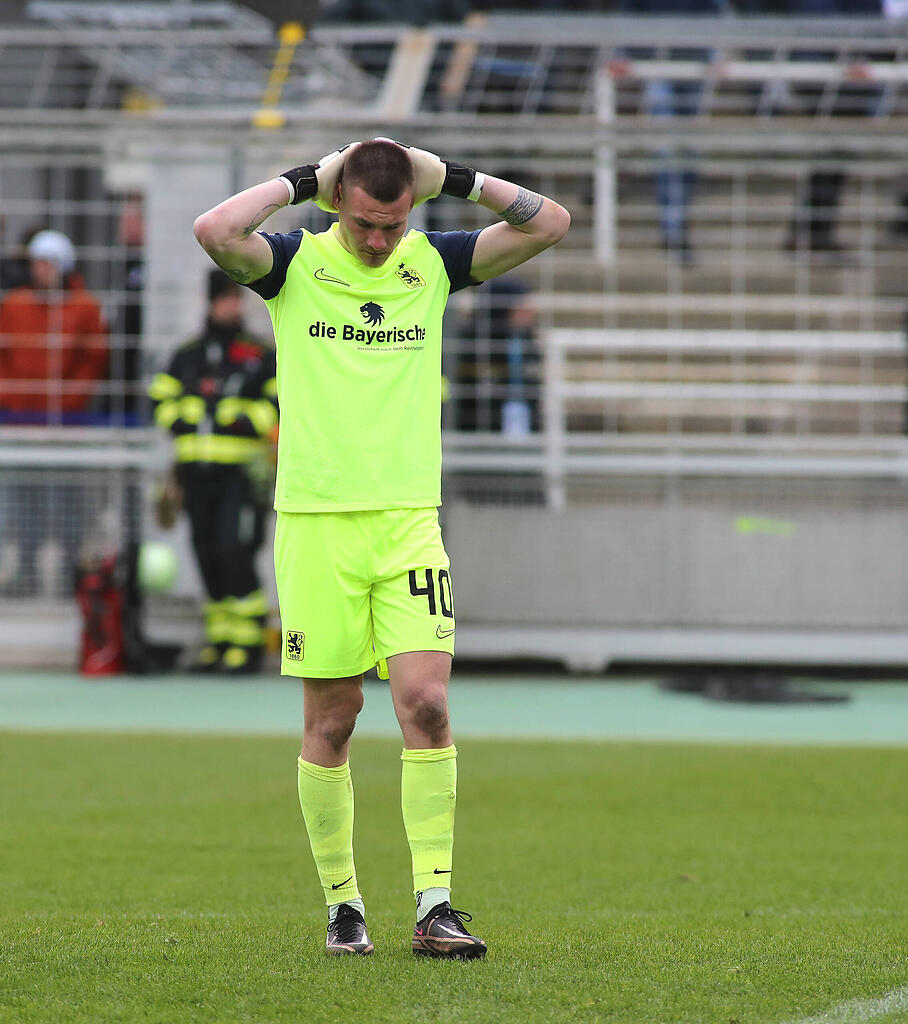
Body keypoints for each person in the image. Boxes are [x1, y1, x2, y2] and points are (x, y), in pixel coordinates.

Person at [192, 138, 569, 958]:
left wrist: (458, 179)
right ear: (338, 202)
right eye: (366, 222)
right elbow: (215, 230)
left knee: (426, 705)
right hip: (316, 522)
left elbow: (549, 224)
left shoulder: (431, 263)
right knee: (334, 720)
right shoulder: (293, 264)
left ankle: (435, 904)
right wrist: (303, 179)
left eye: (394, 223)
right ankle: (343, 907)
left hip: (407, 522)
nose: (378, 239)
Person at [148, 269, 278, 675]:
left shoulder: (258, 354)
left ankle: (248, 643)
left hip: (242, 473)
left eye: (236, 298)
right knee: (205, 552)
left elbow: (278, 402)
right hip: (195, 472)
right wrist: (182, 419)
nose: (232, 306)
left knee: (234, 550)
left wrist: (240, 419)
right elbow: (160, 399)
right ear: (211, 303)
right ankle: (221, 640)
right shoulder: (188, 353)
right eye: (225, 299)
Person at [0, 229, 108, 598]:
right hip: (21, 420)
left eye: (47, 263)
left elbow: (93, 361)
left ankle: (68, 573)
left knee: (67, 501)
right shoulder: (15, 305)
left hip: (67, 423)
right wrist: (12, 398)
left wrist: (69, 401)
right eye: (37, 263)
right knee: (23, 501)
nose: (41, 270)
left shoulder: (83, 308)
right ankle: (27, 570)